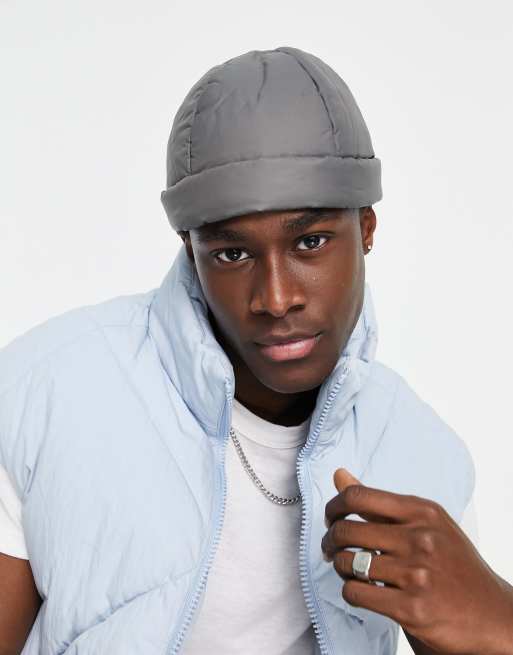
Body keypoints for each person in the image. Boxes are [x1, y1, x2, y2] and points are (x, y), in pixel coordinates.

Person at [0, 45, 511, 655]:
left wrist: (499, 620)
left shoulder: (421, 453)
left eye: (311, 242)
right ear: (191, 252)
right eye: (232, 254)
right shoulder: (43, 394)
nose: (276, 298)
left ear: (367, 229)